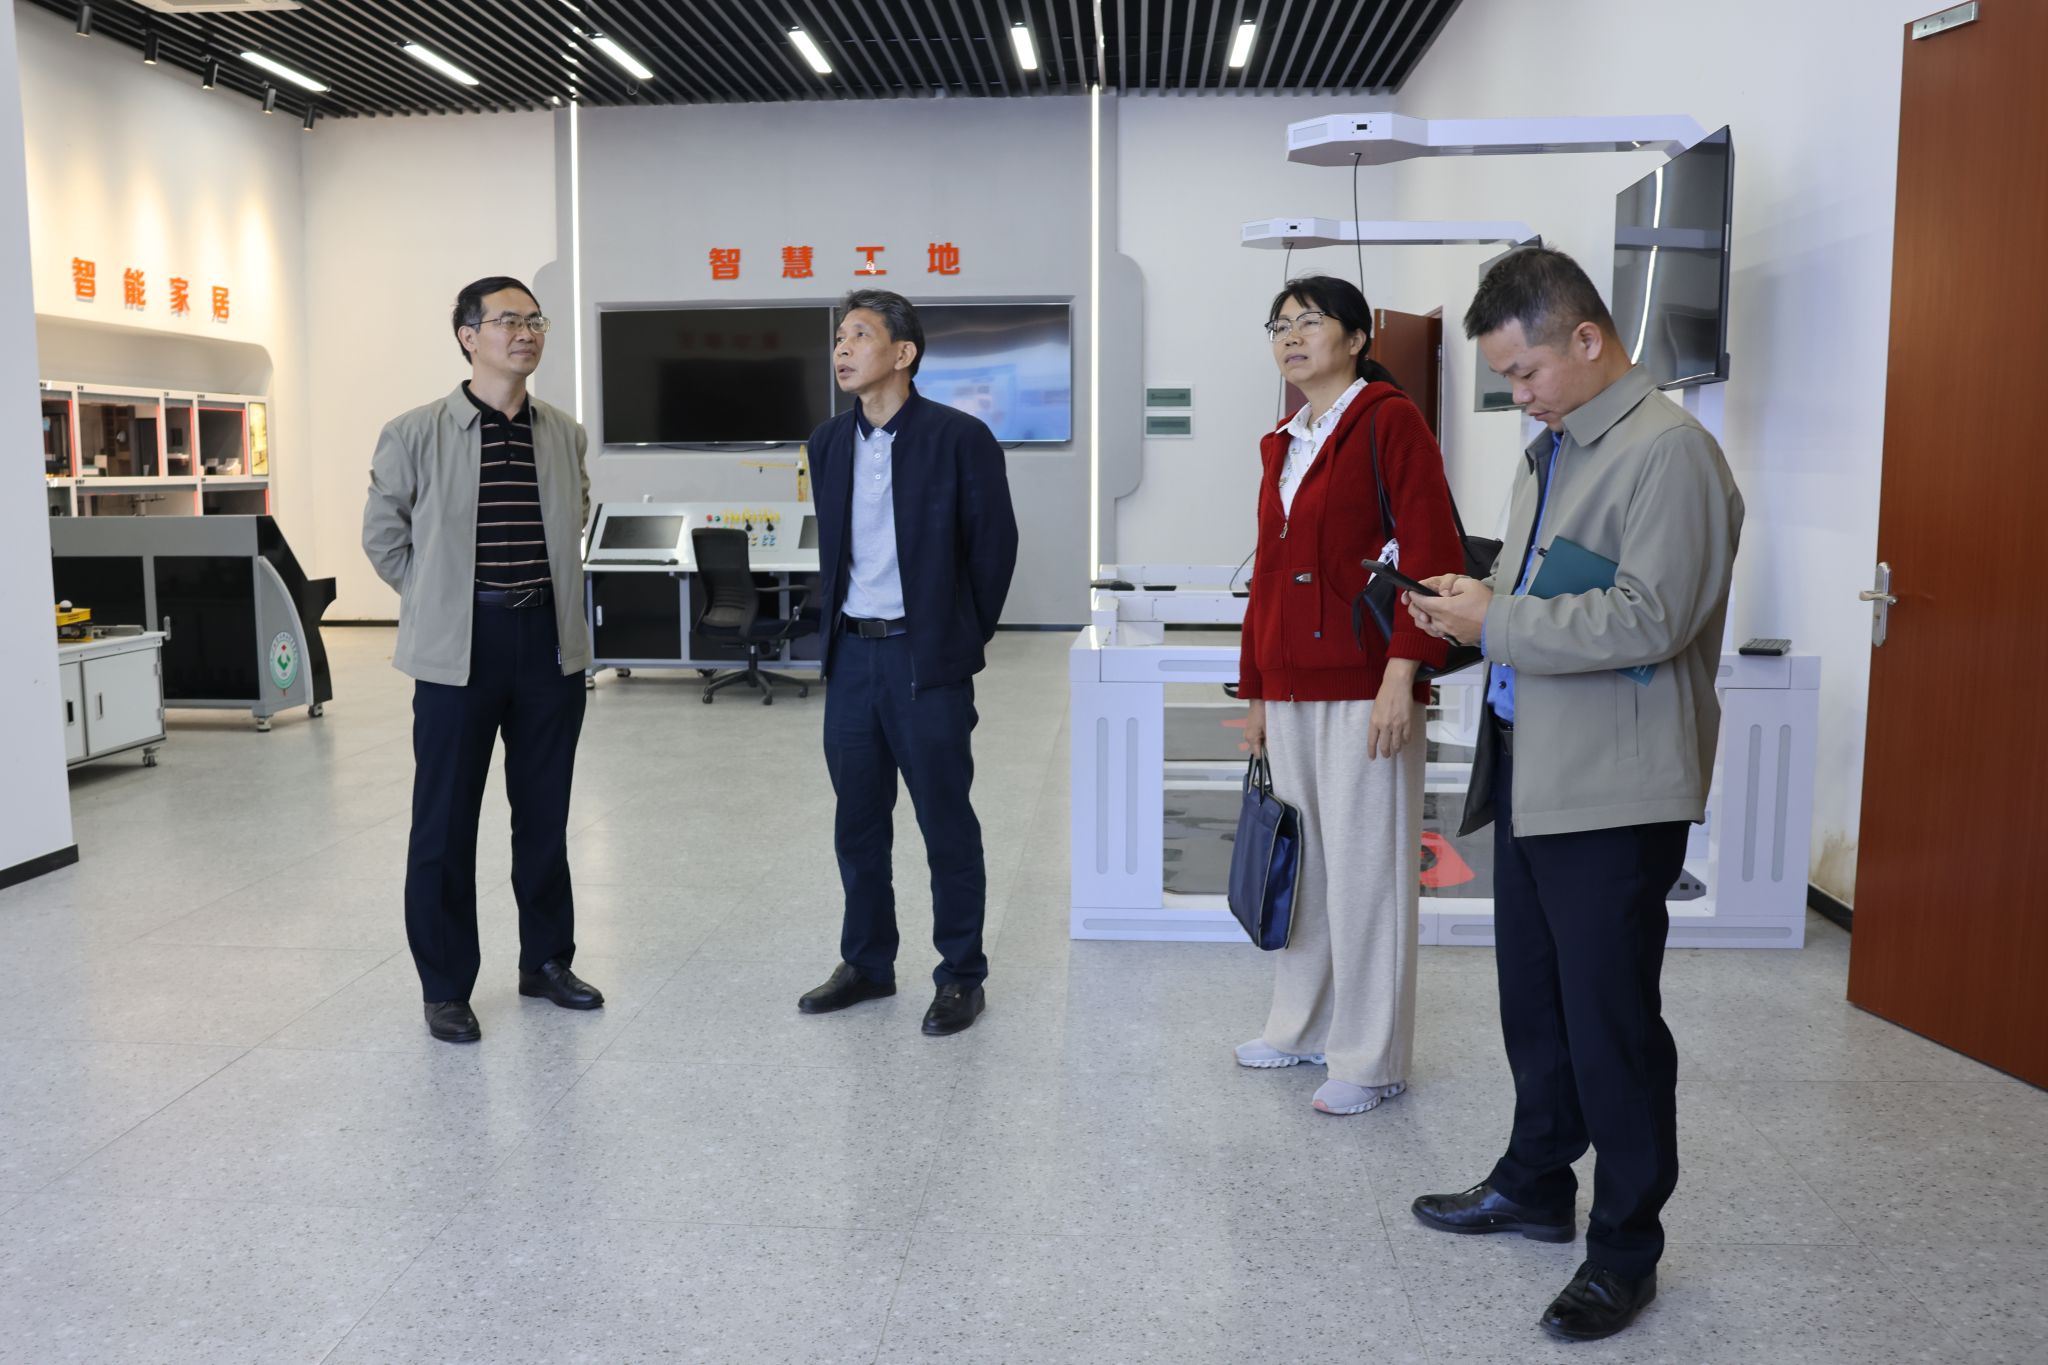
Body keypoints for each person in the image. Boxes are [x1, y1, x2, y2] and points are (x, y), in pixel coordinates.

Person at [1404, 246, 1742, 1342]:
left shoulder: (1668, 454)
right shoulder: (1552, 450)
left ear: (1587, 339)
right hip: (1535, 763)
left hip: (1613, 788)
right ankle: (1535, 1181)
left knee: (1611, 1025)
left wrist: (1494, 619)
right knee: (1537, 1002)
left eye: (1523, 371)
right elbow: (1540, 586)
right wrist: (1472, 599)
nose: (1517, 394)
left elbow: (1651, 617)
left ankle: (1625, 1249)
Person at [1234, 275, 1465, 1114]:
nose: (1290, 336)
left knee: (1369, 873)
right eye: (1278, 325)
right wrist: (1257, 690)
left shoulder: (1389, 421)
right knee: (1306, 869)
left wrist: (1404, 673)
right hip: (1292, 685)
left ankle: (1371, 1059)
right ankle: (1300, 1027)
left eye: (1309, 321)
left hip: (1368, 685)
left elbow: (1432, 556)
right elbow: (1267, 576)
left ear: (1360, 336)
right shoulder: (1284, 441)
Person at [362, 276, 603, 1044]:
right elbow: (384, 537)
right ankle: (445, 986)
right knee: (443, 822)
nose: (526, 332)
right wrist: (439, 602)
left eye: (535, 320)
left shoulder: (562, 432)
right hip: (456, 651)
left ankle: (547, 961)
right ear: (469, 336)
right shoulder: (414, 432)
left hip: (548, 646)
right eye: (508, 320)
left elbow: (574, 516)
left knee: (545, 815)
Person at [796, 289, 1019, 1036]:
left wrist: (956, 637)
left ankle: (960, 975)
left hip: (925, 661)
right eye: (839, 337)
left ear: (903, 352)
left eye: (860, 335)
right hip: (852, 659)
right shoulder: (828, 442)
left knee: (944, 822)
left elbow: (994, 549)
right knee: (857, 825)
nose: (842, 348)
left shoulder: (960, 437)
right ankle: (866, 963)